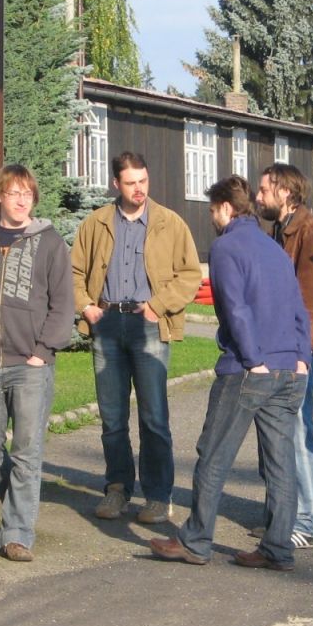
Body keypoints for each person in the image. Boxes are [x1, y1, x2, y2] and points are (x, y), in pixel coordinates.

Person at [149, 176, 311, 571]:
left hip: (247, 369)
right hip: (288, 369)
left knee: (214, 454)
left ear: (225, 208)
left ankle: (196, 541)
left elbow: (235, 309)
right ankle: (277, 548)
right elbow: (297, 306)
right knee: (281, 462)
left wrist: (253, 359)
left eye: (212, 210)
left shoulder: (225, 247)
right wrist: (301, 357)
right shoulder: (274, 248)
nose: (211, 218)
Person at [71, 151, 202, 524]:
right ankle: (117, 489)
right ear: (116, 183)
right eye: (130, 183)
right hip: (107, 323)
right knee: (112, 417)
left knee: (154, 416)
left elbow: (191, 274)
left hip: (149, 324)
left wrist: (158, 305)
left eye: (143, 181)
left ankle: (158, 496)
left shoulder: (169, 223)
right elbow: (74, 271)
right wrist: (86, 306)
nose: (139, 189)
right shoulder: (96, 223)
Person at [0, 164, 74, 562]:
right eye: (14, 193)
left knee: (26, 451)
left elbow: (63, 305)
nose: (22, 200)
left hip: (31, 364)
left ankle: (17, 535)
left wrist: (43, 351)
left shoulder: (50, 242)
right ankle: (19, 506)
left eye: (28, 194)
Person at [254, 163, 313, 549]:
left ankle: (305, 521)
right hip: (279, 347)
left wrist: (302, 355)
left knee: (298, 431)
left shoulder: (310, 231)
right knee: (276, 431)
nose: (258, 197)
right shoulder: (280, 229)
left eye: (264, 190)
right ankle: (282, 516)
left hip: (299, 351)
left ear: (285, 193)